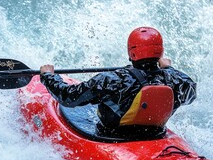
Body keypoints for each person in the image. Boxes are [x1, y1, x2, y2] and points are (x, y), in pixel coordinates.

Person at [39, 27, 196, 138]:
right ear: (160, 52)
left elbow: (68, 97)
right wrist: (169, 68)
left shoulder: (113, 80)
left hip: (114, 138)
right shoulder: (174, 80)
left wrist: (48, 76)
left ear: (131, 52)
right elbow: (191, 94)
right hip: (154, 135)